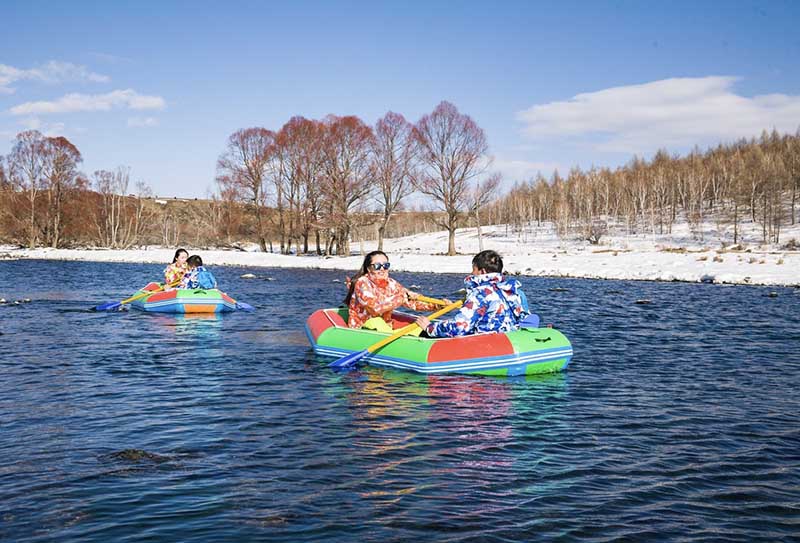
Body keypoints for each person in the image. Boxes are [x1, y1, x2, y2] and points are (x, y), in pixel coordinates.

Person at [415, 249, 529, 337]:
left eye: (474, 269)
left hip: (486, 345)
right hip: (509, 339)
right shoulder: (512, 290)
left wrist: (430, 327)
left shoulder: (480, 293)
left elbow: (460, 327)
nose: (471, 273)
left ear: (482, 271)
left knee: (426, 333)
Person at [344, 250, 441, 332]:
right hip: (363, 326)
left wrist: (437, 306)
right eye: (377, 266)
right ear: (369, 268)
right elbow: (374, 309)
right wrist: (401, 297)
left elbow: (413, 303)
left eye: (386, 265)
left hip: (385, 328)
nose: (382, 269)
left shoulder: (391, 283)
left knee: (419, 326)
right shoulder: (362, 283)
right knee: (376, 321)